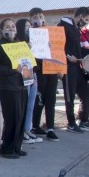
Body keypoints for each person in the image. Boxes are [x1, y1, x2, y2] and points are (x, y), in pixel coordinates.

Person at [0, 19, 28, 159]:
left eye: (13, 26)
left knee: (21, 117)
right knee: (12, 117)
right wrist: (12, 70)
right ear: (1, 30)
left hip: (21, 85)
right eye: (7, 27)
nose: (10, 29)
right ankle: (7, 148)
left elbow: (27, 64)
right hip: (7, 86)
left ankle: (16, 146)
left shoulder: (20, 45)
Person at [58, 7, 89, 133]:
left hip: (77, 67)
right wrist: (67, 56)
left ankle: (84, 120)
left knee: (87, 93)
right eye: (86, 20)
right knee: (70, 96)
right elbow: (57, 45)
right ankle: (71, 123)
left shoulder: (76, 29)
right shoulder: (63, 25)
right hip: (67, 67)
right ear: (80, 16)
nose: (86, 23)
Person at [28, 8, 60, 142]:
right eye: (35, 17)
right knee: (39, 99)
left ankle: (50, 128)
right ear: (31, 20)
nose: (38, 19)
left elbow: (59, 51)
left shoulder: (50, 33)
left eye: (40, 16)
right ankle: (35, 125)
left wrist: (59, 68)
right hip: (38, 70)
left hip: (51, 69)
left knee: (51, 99)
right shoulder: (27, 34)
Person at [15, 19, 43, 145]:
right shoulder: (16, 41)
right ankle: (22, 131)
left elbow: (38, 59)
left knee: (31, 104)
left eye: (29, 26)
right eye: (25, 26)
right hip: (23, 74)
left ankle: (28, 129)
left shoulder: (33, 41)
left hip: (33, 73)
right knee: (24, 104)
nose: (28, 28)